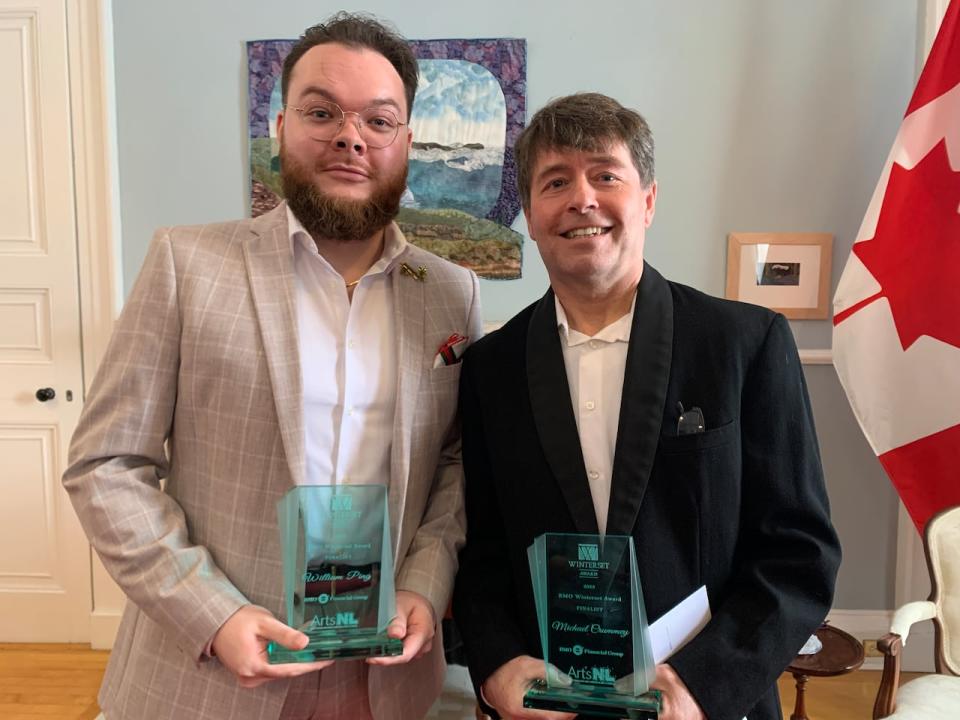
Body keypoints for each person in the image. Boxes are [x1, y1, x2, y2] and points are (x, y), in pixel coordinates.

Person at [64, 12, 481, 720]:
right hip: (209, 675)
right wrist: (213, 615)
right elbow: (105, 465)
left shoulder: (451, 291)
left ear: (406, 143)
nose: (351, 135)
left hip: (382, 676)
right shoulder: (185, 263)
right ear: (282, 126)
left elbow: (455, 462)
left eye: (379, 121)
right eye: (323, 112)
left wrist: (424, 584)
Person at [452, 93, 841, 720]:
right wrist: (496, 665)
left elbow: (800, 553)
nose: (582, 198)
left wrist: (698, 686)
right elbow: (484, 550)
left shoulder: (746, 343)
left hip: (705, 705)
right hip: (552, 703)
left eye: (605, 174)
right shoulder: (490, 368)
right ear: (528, 213)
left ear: (649, 200)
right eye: (556, 181)